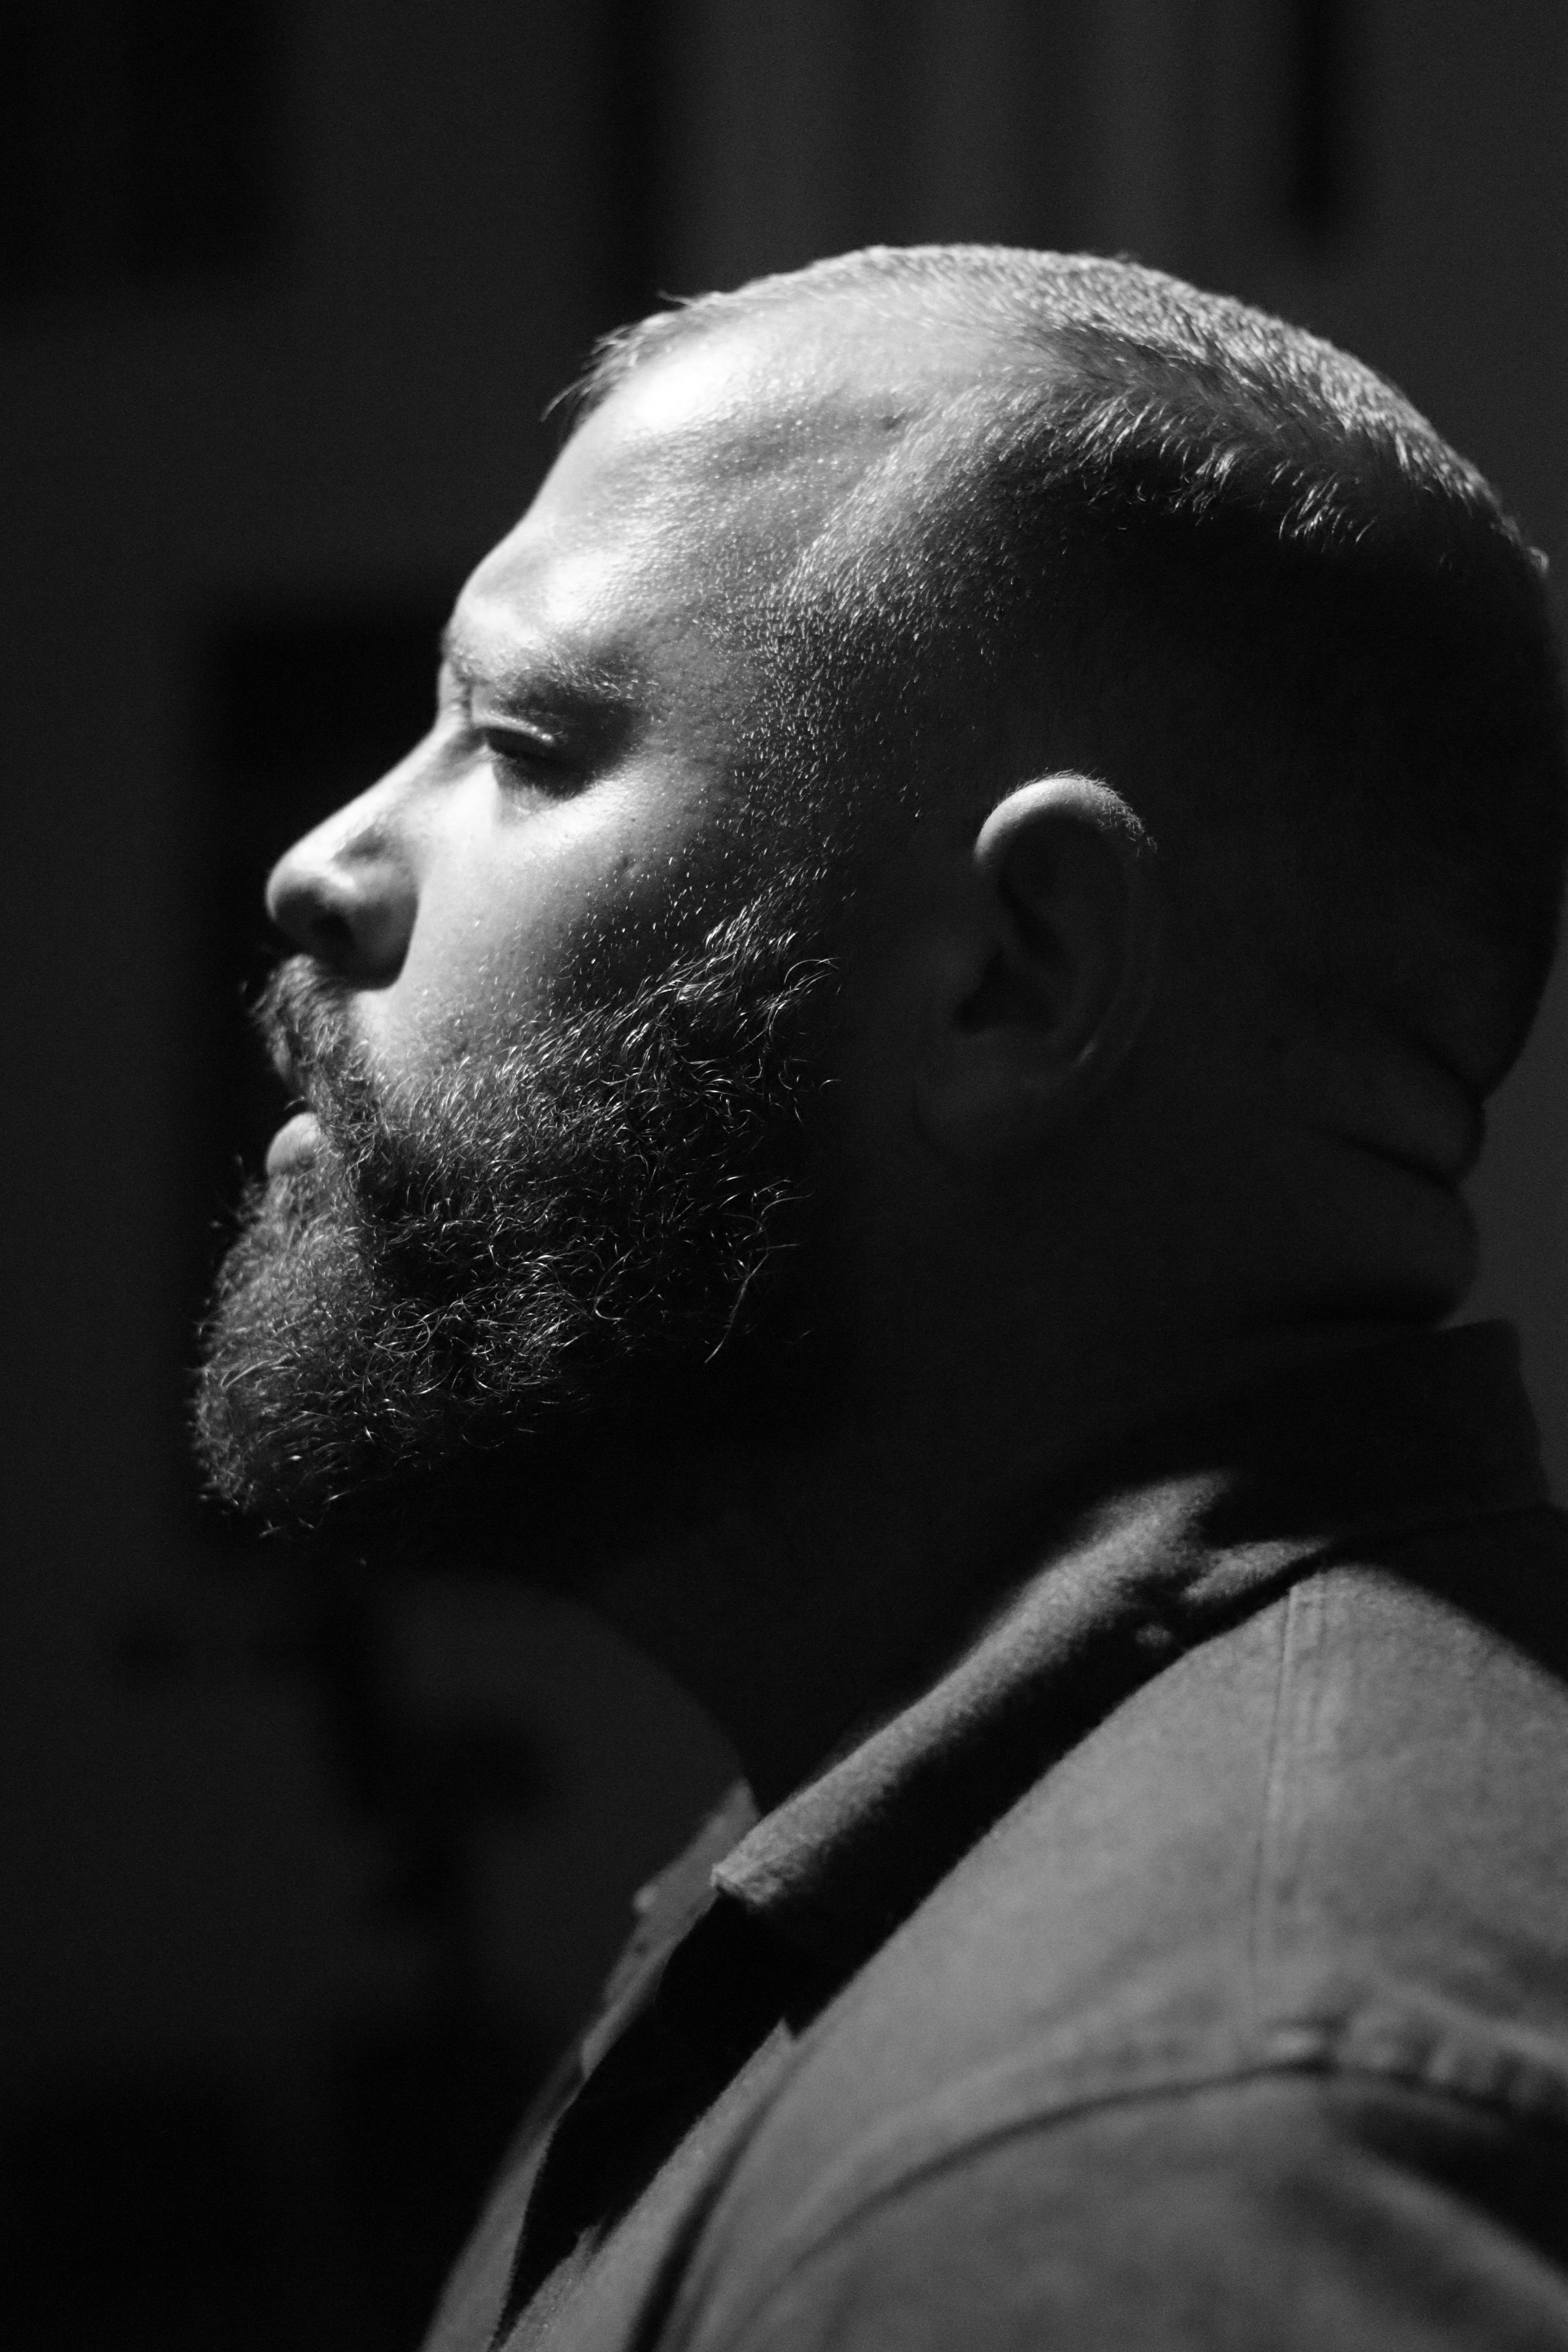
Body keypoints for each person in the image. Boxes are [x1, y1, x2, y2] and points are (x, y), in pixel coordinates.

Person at [195, 246, 1568, 2349]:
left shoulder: (1167, 2168)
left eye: (524, 741)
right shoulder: (964, 1882)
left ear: (1018, 977)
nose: (324, 862)